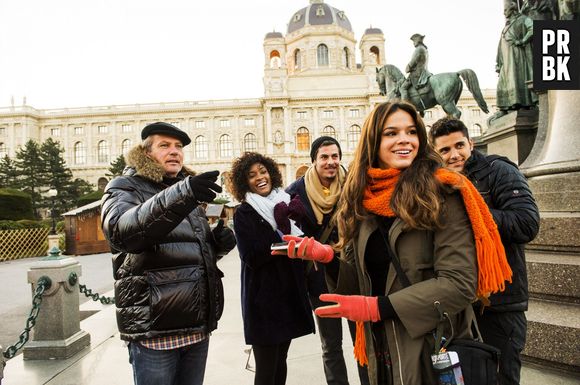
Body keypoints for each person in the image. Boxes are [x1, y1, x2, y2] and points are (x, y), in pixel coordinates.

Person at [274, 100, 512, 385]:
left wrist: (379, 308)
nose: (404, 140)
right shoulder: (361, 200)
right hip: (382, 352)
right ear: (373, 140)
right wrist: (328, 258)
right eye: (391, 133)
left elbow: (459, 283)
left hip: (433, 350)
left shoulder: (442, 192)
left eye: (411, 132)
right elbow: (361, 283)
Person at [101, 122, 236, 385]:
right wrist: (182, 193)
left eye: (178, 147)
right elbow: (123, 233)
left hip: (195, 328)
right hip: (155, 331)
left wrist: (217, 245)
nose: (174, 151)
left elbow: (184, 250)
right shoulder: (124, 187)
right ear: (146, 152)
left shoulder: (187, 192)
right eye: (164, 145)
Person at [429, 116, 540, 385]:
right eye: (445, 150)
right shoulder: (436, 183)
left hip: (500, 301)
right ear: (435, 153)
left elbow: (527, 223)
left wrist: (474, 213)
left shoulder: (499, 170)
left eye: (459, 146)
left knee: (502, 376)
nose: (454, 155)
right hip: (458, 304)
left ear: (471, 143)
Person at [286, 136, 369, 385]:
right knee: (331, 346)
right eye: (324, 157)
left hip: (354, 274)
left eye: (335, 156)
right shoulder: (296, 192)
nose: (330, 162)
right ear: (313, 161)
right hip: (320, 279)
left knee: (363, 343)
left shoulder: (354, 186)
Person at [229, 152, 315, 385]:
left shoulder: (286, 202)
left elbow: (305, 238)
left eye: (263, 171)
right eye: (252, 175)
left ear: (271, 173)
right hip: (263, 302)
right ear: (243, 182)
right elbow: (251, 256)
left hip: (288, 294)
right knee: (266, 369)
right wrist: (283, 237)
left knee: (282, 361)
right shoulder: (244, 212)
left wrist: (293, 226)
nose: (260, 177)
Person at [494, 3, 537, 117]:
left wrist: (523, 40)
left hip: (516, 57)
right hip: (506, 61)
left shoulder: (523, 19)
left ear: (512, 10)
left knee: (516, 78)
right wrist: (498, 62)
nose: (504, 12)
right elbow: (500, 46)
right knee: (503, 83)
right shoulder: (506, 26)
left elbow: (533, 28)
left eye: (505, 10)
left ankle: (521, 103)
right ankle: (507, 105)